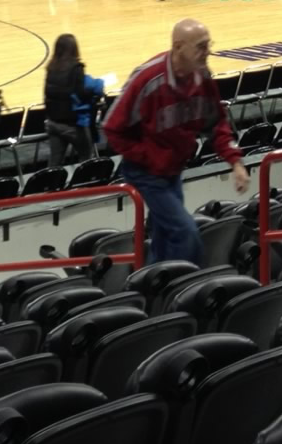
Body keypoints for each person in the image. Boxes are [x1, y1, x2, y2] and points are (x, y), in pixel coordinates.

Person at [102, 19, 249, 265]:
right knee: (184, 232)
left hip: (173, 170)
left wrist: (235, 162)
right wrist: (147, 156)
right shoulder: (148, 80)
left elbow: (216, 122)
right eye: (201, 46)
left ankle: (148, 288)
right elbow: (112, 127)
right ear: (178, 46)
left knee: (165, 237)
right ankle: (186, 288)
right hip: (145, 173)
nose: (207, 52)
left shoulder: (202, 77)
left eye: (208, 45)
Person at [43, 34, 104, 166]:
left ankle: (51, 186)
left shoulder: (50, 68)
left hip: (52, 122)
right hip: (72, 125)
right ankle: (87, 185)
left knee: (54, 164)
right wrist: (96, 86)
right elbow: (81, 93)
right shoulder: (76, 68)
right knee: (87, 159)